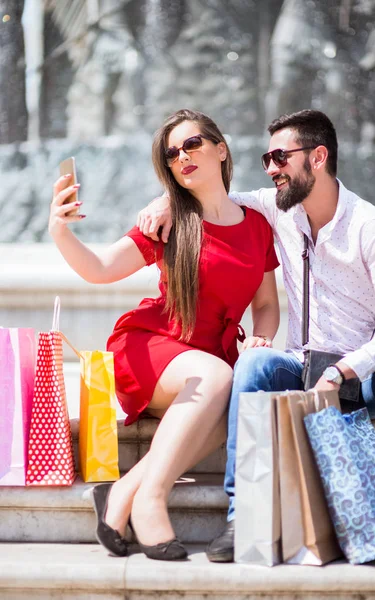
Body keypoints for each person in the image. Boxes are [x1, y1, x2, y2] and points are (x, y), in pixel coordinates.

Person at [137, 108, 375, 563]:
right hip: (300, 367)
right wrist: (167, 199)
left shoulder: (368, 224)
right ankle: (242, 518)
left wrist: (344, 369)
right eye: (267, 158)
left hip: (362, 376)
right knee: (255, 362)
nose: (272, 168)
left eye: (281, 157)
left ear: (318, 157)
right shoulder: (276, 208)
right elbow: (215, 193)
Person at [48, 109, 280, 561]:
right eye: (173, 153)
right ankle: (151, 501)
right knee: (216, 378)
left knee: (231, 403)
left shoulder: (257, 226)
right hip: (152, 346)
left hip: (212, 360)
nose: (183, 157)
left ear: (221, 149)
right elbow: (99, 270)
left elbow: (267, 306)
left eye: (192, 144)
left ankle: (121, 493)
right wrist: (59, 230)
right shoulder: (169, 221)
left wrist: (262, 339)